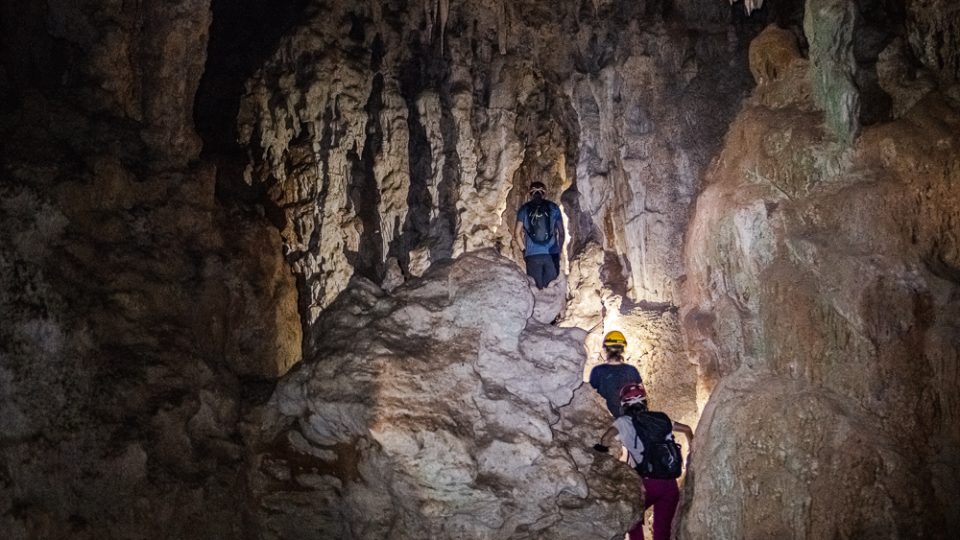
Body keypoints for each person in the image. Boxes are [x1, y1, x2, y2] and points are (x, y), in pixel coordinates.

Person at [594, 382, 694, 540]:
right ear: (644, 401)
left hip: (645, 484)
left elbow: (606, 438)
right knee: (663, 531)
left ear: (623, 403)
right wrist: (692, 450)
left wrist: (603, 451)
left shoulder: (623, 422)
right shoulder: (660, 419)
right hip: (669, 483)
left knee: (632, 520)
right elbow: (687, 429)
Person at [514, 181, 564, 289]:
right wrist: (559, 250)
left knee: (536, 288)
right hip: (551, 254)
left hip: (532, 255)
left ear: (530, 193)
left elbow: (517, 234)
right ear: (544, 193)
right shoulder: (554, 207)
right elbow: (561, 233)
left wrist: (524, 250)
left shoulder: (524, 209)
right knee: (551, 289)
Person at [589, 331, 642, 417]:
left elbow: (590, 398)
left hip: (606, 419)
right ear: (623, 349)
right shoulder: (632, 370)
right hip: (630, 419)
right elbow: (641, 397)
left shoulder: (597, 371)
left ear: (606, 349)